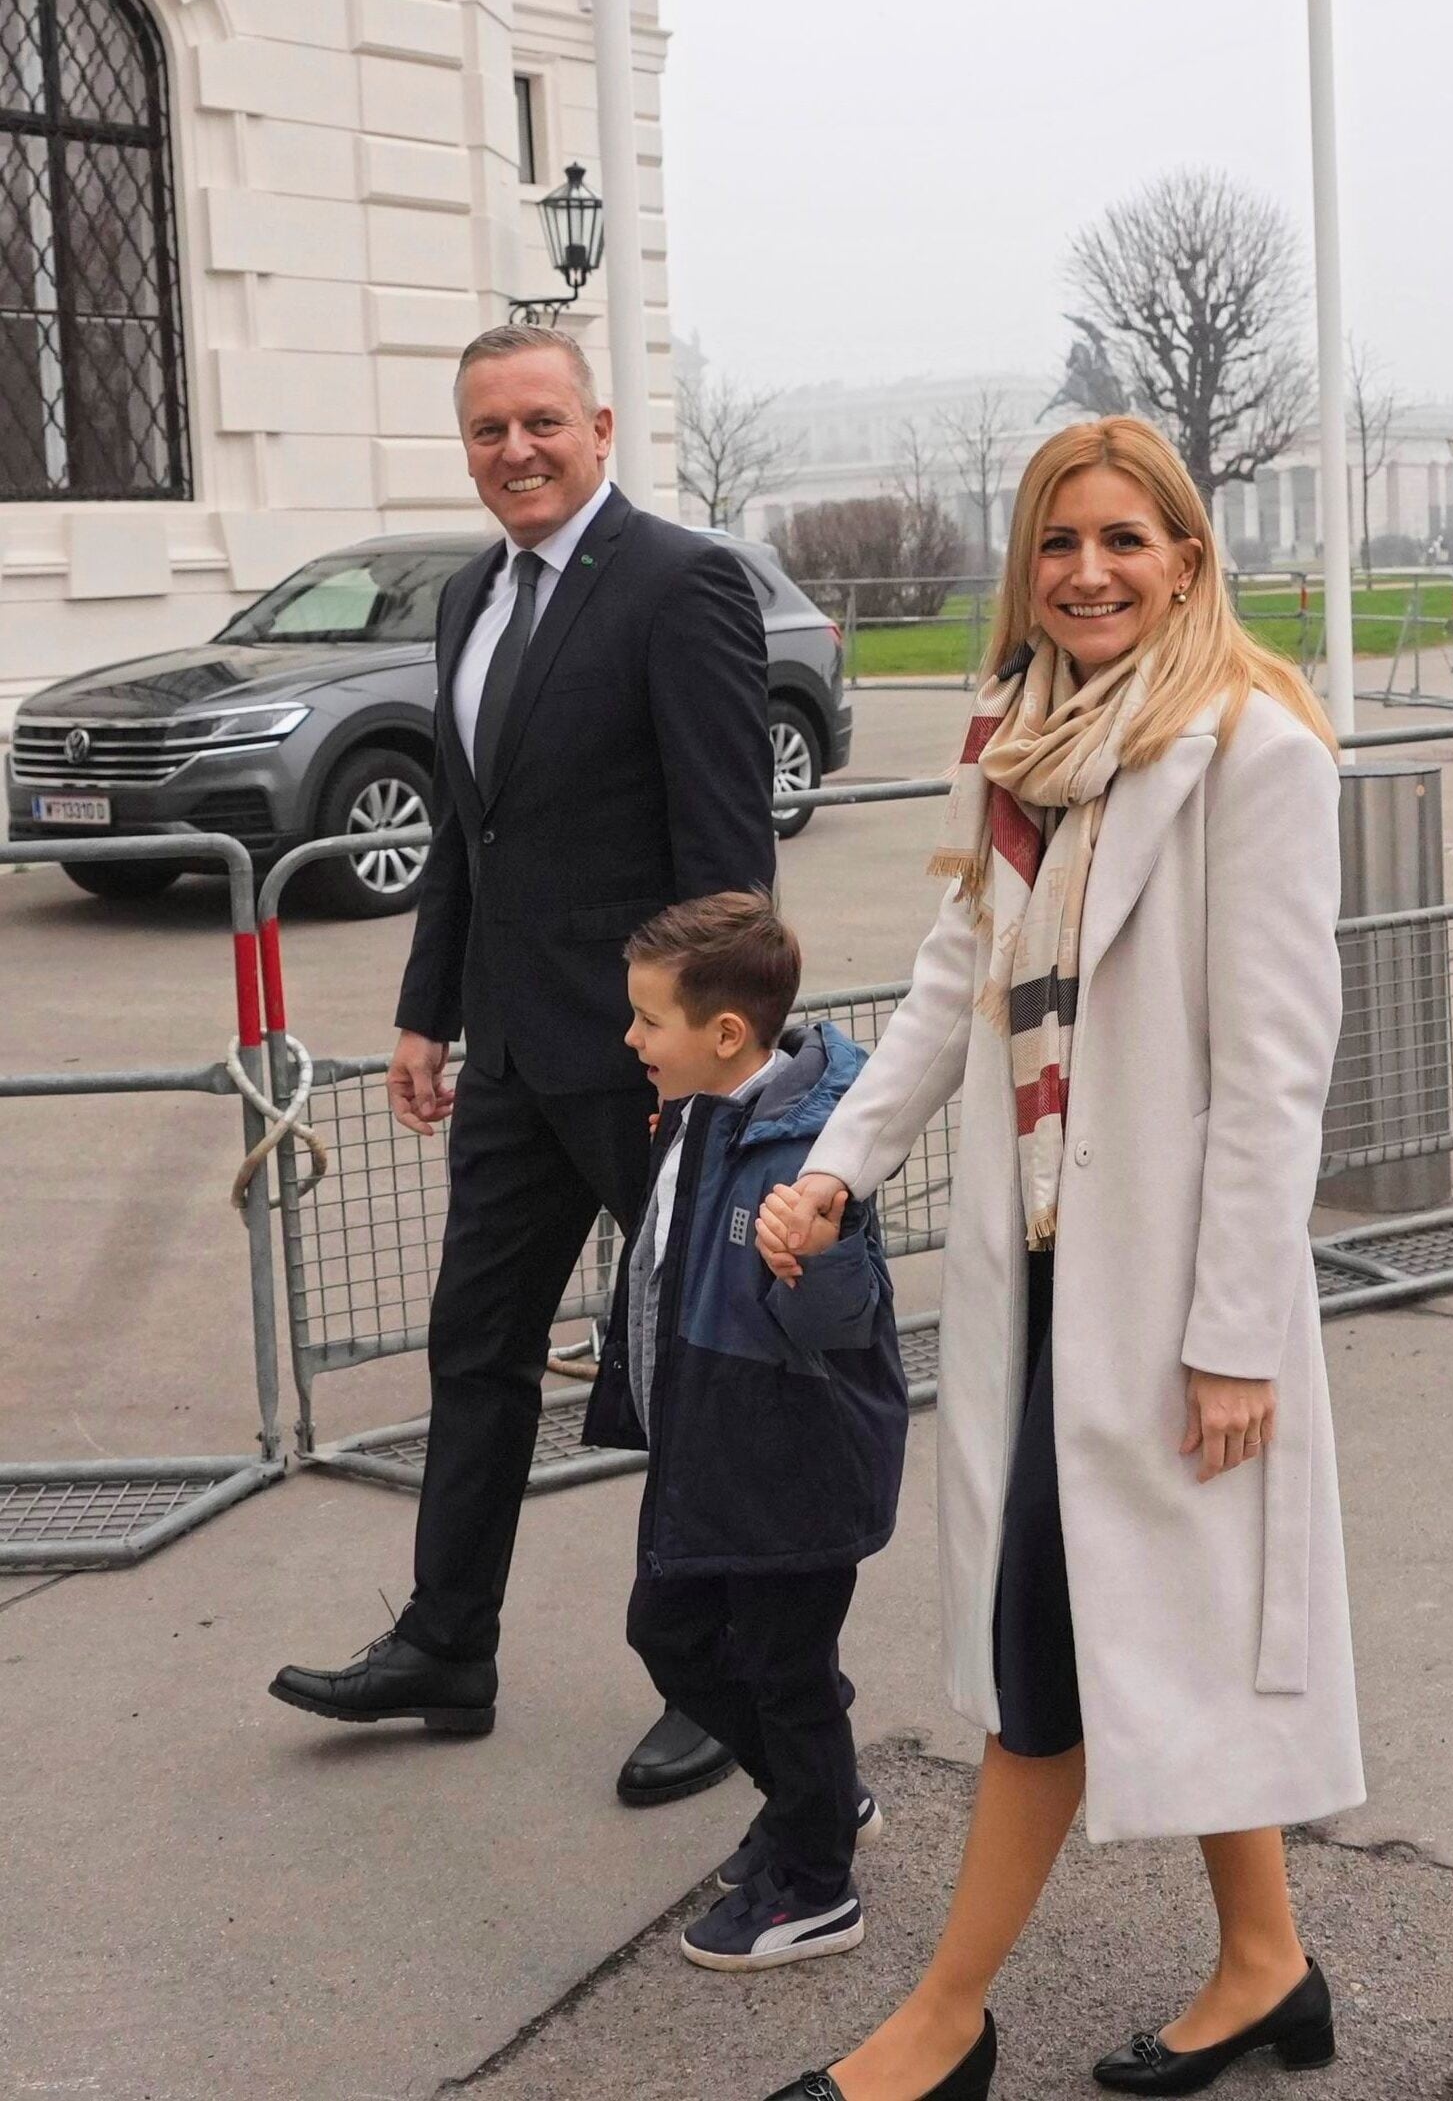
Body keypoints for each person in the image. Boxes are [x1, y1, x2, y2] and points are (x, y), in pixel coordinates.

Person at [755, 416, 1365, 2101]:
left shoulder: (1252, 747)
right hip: (1041, 1284)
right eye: (1055, 543)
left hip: (1170, 1295)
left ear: (1183, 556)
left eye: (1121, 540)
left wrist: (1233, 1329)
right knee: (1122, 1618)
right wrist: (830, 1168)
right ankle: (1264, 1966)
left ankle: (937, 2021)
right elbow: (950, 992)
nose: (1085, 572)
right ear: (1023, 570)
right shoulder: (1013, 748)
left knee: (1050, 1642)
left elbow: (1271, 1070)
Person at [269, 325, 775, 1809]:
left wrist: (709, 1059)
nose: (516, 452)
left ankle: (722, 1675)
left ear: (599, 426)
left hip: (648, 1064)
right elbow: (466, 840)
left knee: (691, 1361)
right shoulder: (472, 597)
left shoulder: (683, 587)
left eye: (540, 422)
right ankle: (445, 1640)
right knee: (476, 1350)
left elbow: (728, 863)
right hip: (509, 1060)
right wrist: (428, 1012)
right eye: (488, 430)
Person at [582, 891, 909, 1969]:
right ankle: (817, 1792)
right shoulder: (697, 1110)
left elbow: (843, 1321)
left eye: (647, 1019)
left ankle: (816, 1882)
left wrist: (809, 1254)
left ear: (725, 1033)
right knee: (669, 1634)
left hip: (790, 1462)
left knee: (785, 1669)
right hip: (706, 1444)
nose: (630, 1038)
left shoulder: (810, 1153)